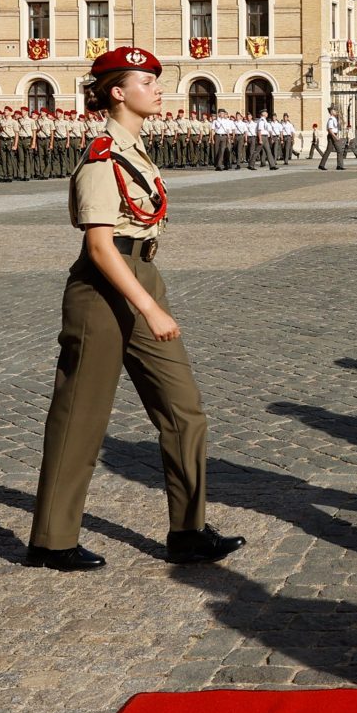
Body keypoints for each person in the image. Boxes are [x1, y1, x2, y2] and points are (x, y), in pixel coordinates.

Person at [27, 46, 245, 572]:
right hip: (104, 289)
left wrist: (150, 296)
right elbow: (100, 246)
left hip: (142, 273)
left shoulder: (136, 151)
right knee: (82, 414)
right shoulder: (101, 155)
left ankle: (188, 531)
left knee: (184, 409)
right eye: (146, 81)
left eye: (156, 79)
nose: (158, 87)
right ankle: (52, 540)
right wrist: (149, 307)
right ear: (118, 93)